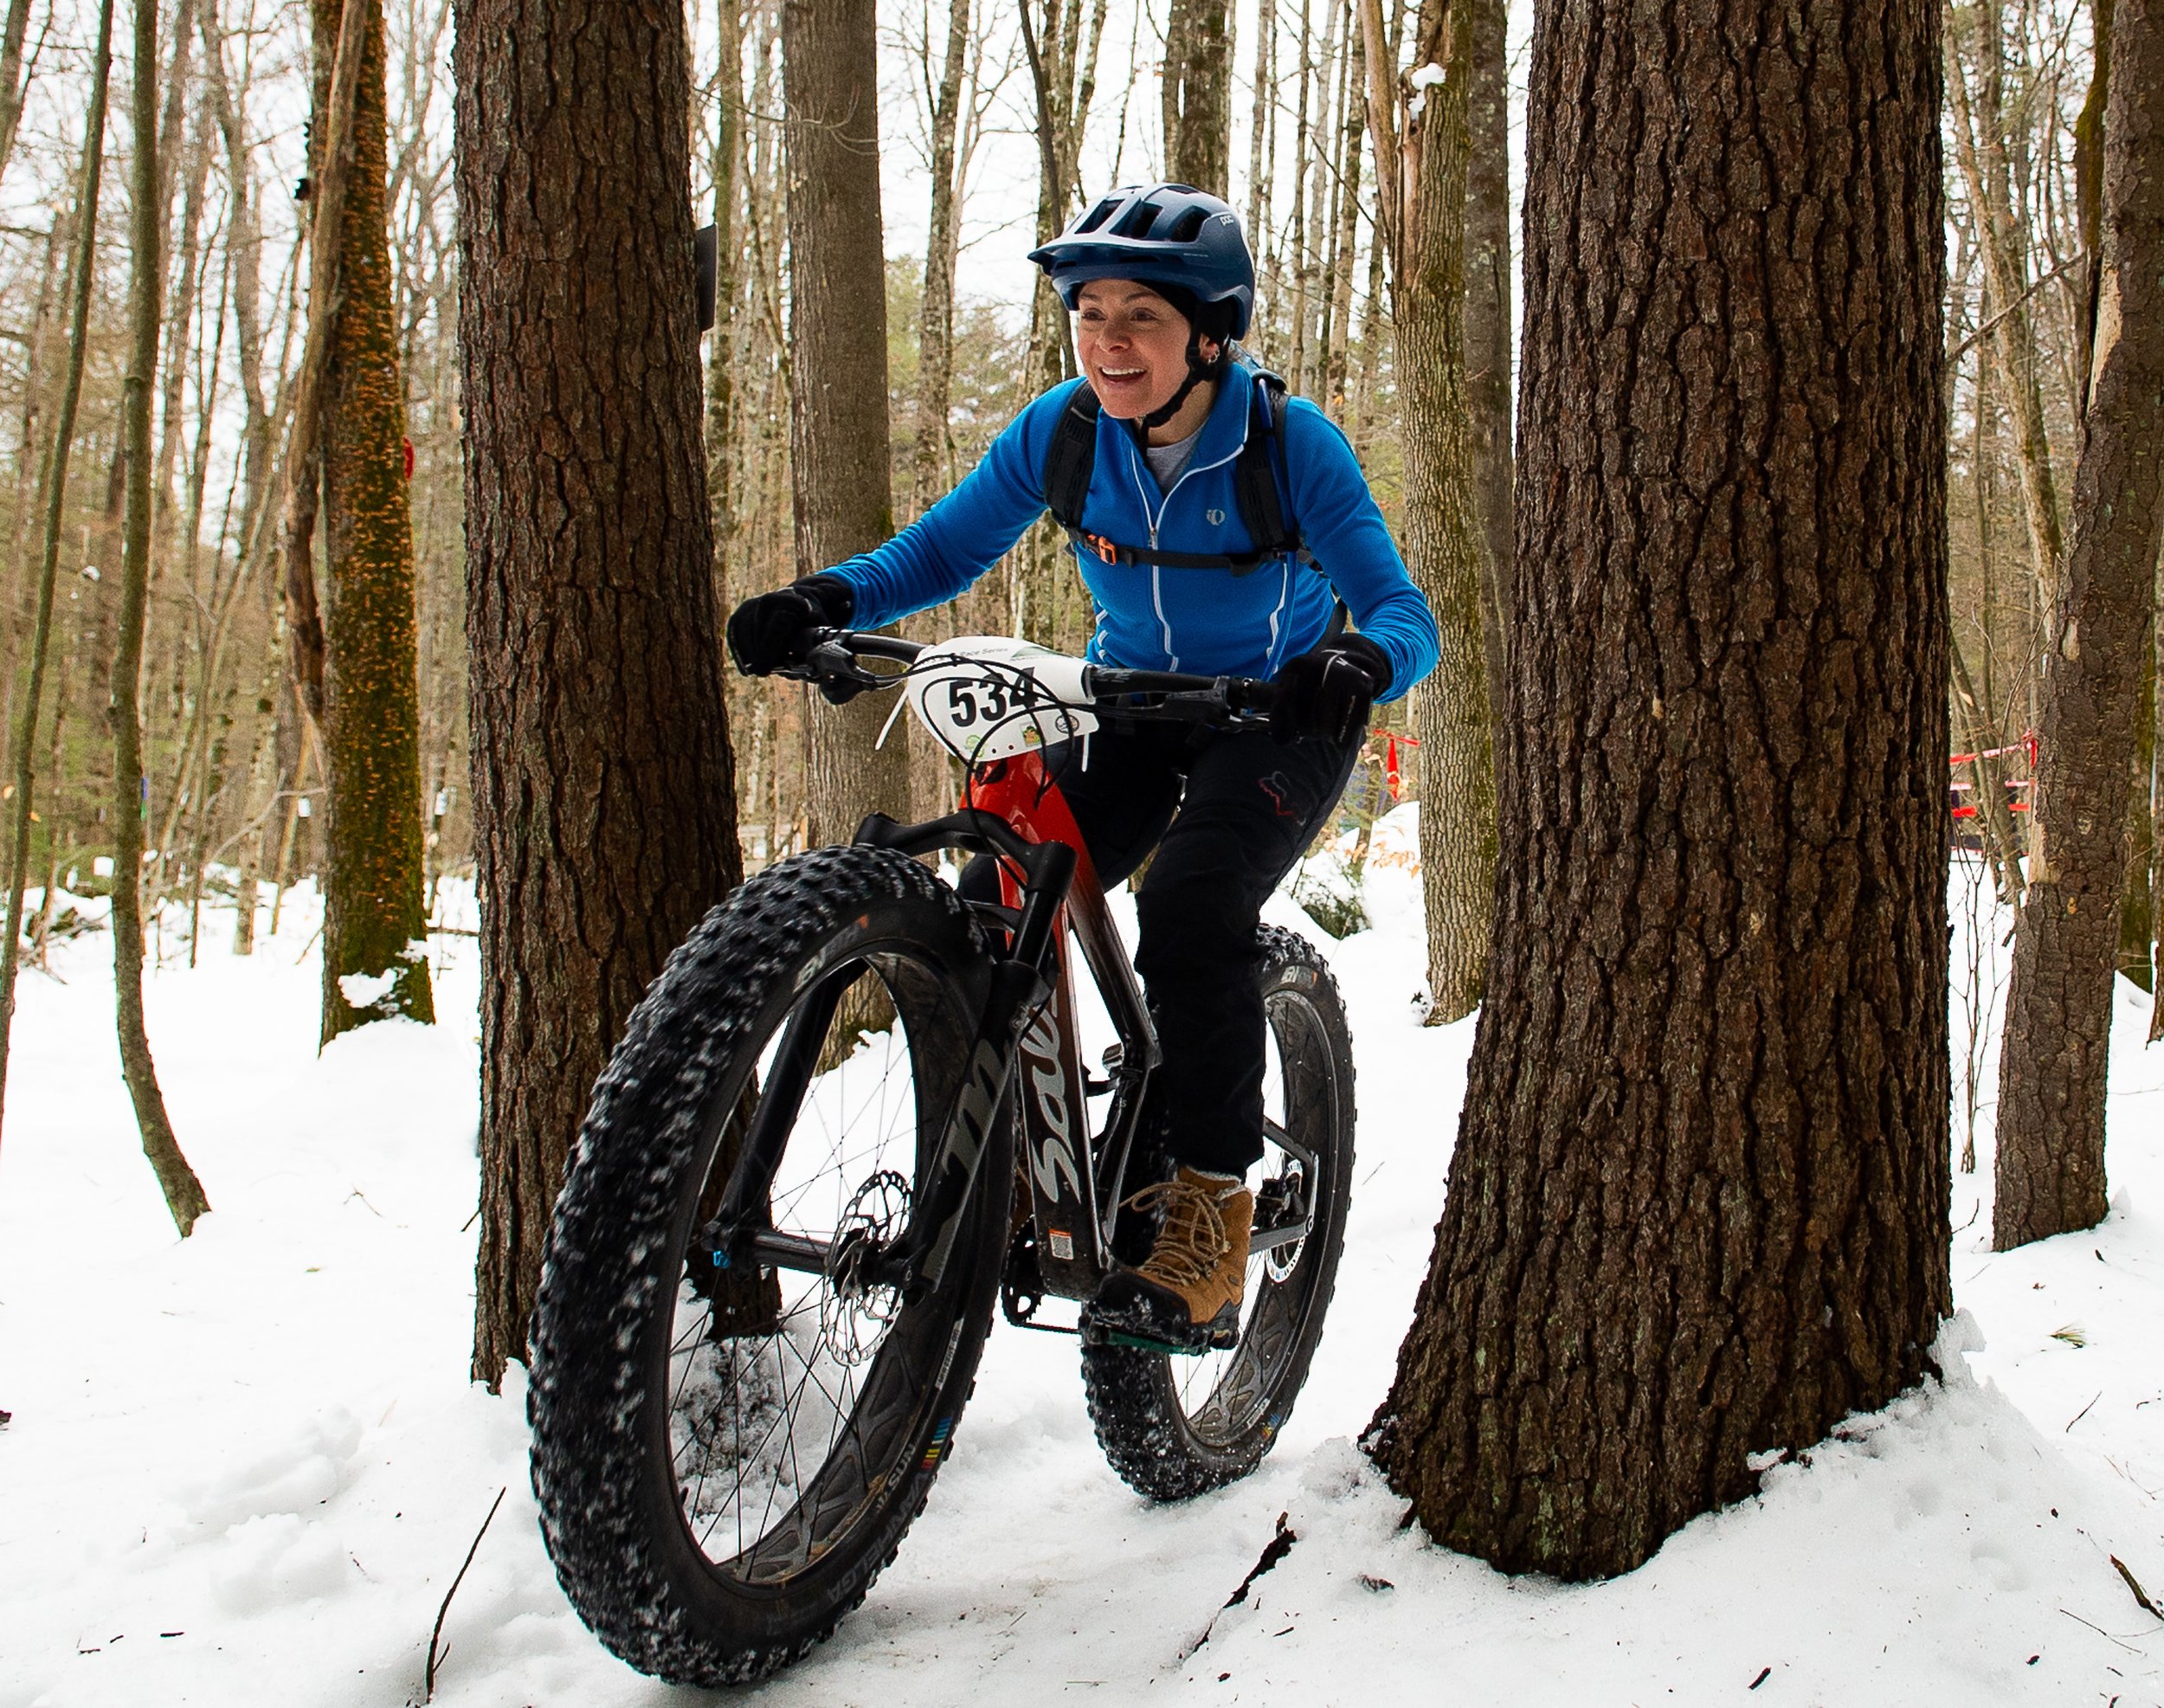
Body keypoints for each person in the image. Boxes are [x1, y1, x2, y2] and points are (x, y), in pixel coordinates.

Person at [728, 183, 1439, 1351]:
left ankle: (1210, 1202)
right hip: (1129, 701)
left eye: (1140, 319)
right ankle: (998, 1159)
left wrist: (1359, 660)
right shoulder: (1065, 434)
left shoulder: (1288, 448)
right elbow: (948, 544)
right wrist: (829, 598)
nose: (1107, 342)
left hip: (1279, 712)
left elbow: (1407, 612)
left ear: (1211, 335)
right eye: (1088, 313)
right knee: (996, 891)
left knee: (1192, 904)